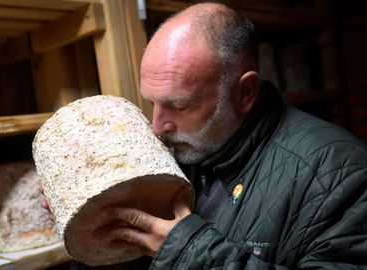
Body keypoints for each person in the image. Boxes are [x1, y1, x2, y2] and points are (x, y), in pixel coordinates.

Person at [45, 2, 367, 269]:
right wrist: (99, 233)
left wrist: (188, 252)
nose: (158, 127)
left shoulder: (340, 174)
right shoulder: (173, 154)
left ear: (245, 92)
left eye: (180, 105)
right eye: (152, 103)